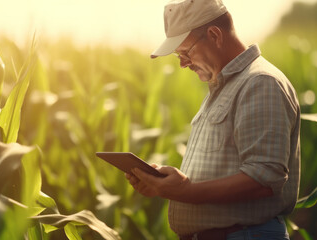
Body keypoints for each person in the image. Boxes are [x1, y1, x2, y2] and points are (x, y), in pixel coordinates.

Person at [125, 0, 301, 239]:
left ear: (214, 35)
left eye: (185, 52)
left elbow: (264, 179)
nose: (182, 63)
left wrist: (185, 191)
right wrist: (166, 186)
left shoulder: (260, 83)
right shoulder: (226, 87)